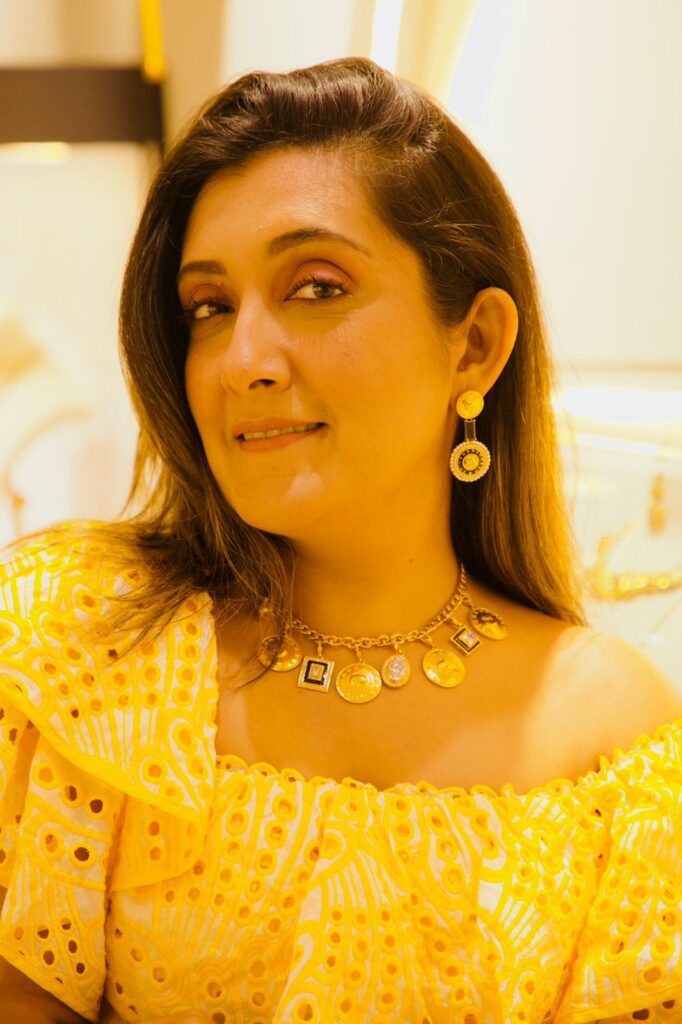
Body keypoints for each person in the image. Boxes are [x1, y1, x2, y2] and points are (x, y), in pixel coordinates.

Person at [0, 56, 680, 1024]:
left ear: (476, 344)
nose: (242, 360)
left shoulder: (613, 740)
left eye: (316, 287)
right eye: (208, 307)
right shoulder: (80, 651)